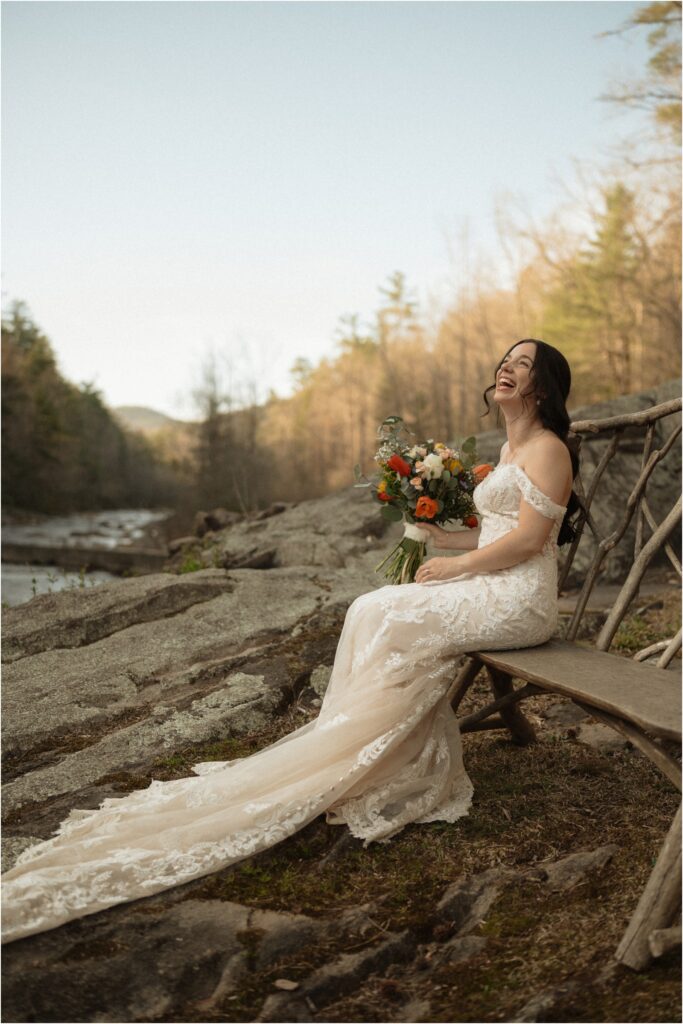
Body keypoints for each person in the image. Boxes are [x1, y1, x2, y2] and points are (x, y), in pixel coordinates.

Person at [1, 339, 579, 945]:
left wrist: (456, 570)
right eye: (503, 361)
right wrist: (432, 535)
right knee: (370, 608)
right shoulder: (509, 448)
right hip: (488, 579)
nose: (504, 368)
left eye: (520, 363)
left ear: (542, 385)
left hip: (519, 601)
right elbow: (490, 534)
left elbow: (530, 542)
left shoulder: (548, 450)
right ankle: (356, 744)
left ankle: (379, 757)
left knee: (388, 614)